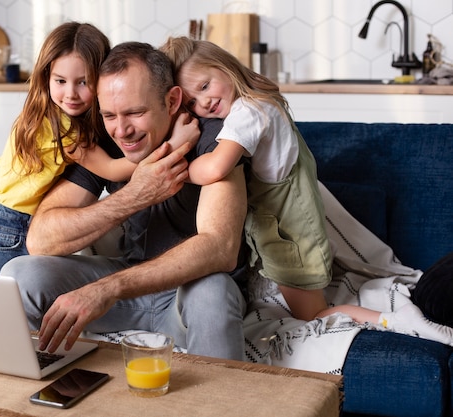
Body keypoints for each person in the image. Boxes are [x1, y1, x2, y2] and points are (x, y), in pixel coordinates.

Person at [159, 36, 453, 346]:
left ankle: (392, 321)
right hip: (289, 227)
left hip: (290, 235)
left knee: (313, 316)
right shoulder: (259, 101)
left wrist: (173, 163)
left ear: (226, 68)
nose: (202, 103)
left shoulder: (248, 114)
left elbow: (215, 169)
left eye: (205, 87)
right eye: (191, 102)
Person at [0, 41, 249, 360]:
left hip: (188, 292)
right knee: (19, 274)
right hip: (131, 286)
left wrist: (107, 289)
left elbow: (220, 247)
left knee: (212, 292)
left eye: (135, 112)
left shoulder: (213, 137)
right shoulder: (105, 146)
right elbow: (41, 239)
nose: (123, 130)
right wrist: (135, 194)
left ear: (171, 101)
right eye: (109, 116)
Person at [0, 23, 197, 275]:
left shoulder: (43, 112)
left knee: (2, 300)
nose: (70, 94)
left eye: (83, 82)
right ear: (47, 77)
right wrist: (173, 145)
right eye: (60, 81)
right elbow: (111, 168)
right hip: (9, 225)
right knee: (0, 302)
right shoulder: (65, 129)